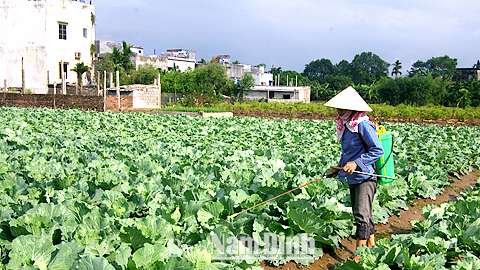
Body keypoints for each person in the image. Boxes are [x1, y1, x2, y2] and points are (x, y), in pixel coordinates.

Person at [324, 86, 384, 263]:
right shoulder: (345, 125)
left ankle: (358, 256)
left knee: (361, 217)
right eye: (338, 107)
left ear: (352, 109)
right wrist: (338, 167)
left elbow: (377, 149)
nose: (338, 111)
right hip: (353, 177)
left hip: (365, 178)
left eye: (342, 108)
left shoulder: (363, 124)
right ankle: (372, 249)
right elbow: (348, 154)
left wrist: (357, 162)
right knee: (365, 215)